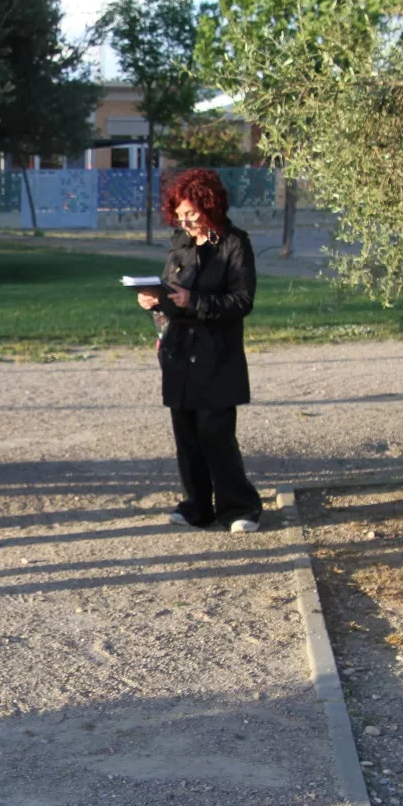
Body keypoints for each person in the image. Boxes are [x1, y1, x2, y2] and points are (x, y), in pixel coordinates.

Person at [137, 168, 262, 533]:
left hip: (217, 353)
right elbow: (172, 291)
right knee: (187, 435)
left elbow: (242, 301)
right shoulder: (179, 243)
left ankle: (240, 507)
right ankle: (197, 505)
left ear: (209, 206)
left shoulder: (235, 243)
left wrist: (195, 300)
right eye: (179, 215)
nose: (185, 221)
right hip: (178, 351)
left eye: (191, 214)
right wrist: (154, 300)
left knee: (216, 434)